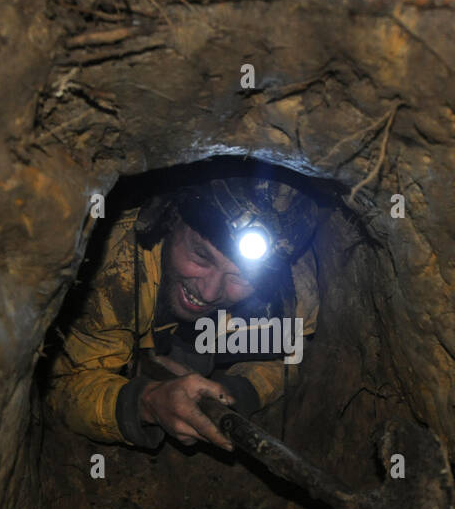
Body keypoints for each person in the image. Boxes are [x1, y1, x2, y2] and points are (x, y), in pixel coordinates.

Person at [45, 175, 322, 451]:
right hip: (137, 316)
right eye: (201, 256)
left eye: (240, 278)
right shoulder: (114, 271)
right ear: (170, 219)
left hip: (195, 337)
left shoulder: (291, 294)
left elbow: (294, 359)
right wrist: (147, 401)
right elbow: (61, 388)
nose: (210, 292)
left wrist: (234, 392)